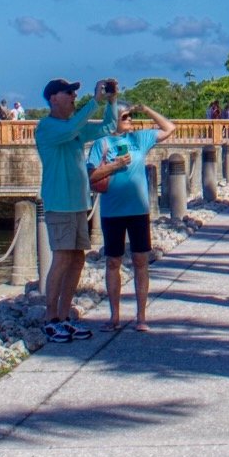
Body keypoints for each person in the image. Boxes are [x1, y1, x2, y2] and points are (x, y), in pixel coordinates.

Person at [34, 76, 119, 343]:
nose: (73, 96)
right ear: (53, 99)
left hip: (78, 204)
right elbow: (71, 129)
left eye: (74, 92)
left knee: (77, 259)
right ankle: (50, 319)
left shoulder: (74, 126)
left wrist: (111, 101)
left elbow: (109, 127)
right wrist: (94, 101)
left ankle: (63, 315)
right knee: (61, 258)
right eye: (68, 92)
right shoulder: (47, 128)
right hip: (59, 203)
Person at [86, 101, 176, 331]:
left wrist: (146, 109)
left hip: (138, 210)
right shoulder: (102, 143)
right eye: (125, 117)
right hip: (112, 211)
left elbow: (169, 129)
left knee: (140, 261)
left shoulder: (139, 139)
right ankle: (114, 316)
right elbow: (91, 175)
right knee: (113, 261)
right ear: (113, 120)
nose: (130, 120)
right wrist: (115, 166)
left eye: (129, 116)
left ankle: (141, 317)